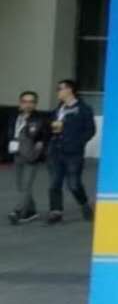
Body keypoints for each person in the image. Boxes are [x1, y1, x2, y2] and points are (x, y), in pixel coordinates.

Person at [46, 79, 95, 224]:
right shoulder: (58, 109)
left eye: (60, 89)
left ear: (69, 90)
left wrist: (78, 143)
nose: (58, 91)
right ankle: (56, 212)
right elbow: (52, 127)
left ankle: (84, 204)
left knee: (74, 184)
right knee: (54, 183)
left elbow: (90, 130)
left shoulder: (83, 109)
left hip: (73, 153)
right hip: (55, 150)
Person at [8, 91, 49, 224]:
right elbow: (10, 133)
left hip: (31, 155)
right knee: (20, 185)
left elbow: (44, 137)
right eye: (25, 101)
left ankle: (18, 211)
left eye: (31, 102)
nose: (28, 104)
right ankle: (31, 211)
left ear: (35, 104)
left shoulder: (40, 119)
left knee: (26, 185)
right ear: (20, 103)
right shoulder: (14, 117)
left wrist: (37, 153)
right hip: (17, 153)